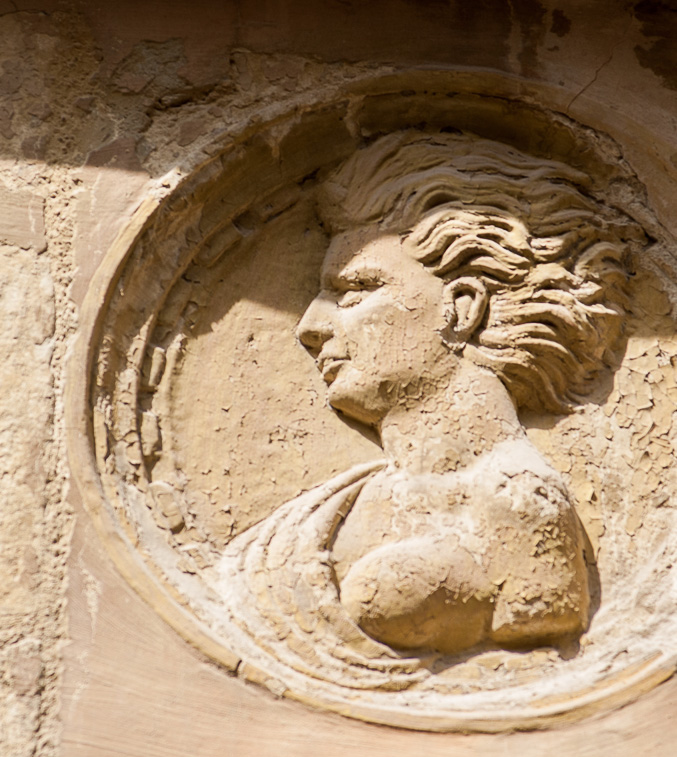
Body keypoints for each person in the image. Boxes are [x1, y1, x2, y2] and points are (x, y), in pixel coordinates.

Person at [217, 132, 636, 685]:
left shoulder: (521, 502)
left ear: (461, 308)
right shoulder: (343, 502)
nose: (311, 328)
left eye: (353, 292)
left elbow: (520, 676)